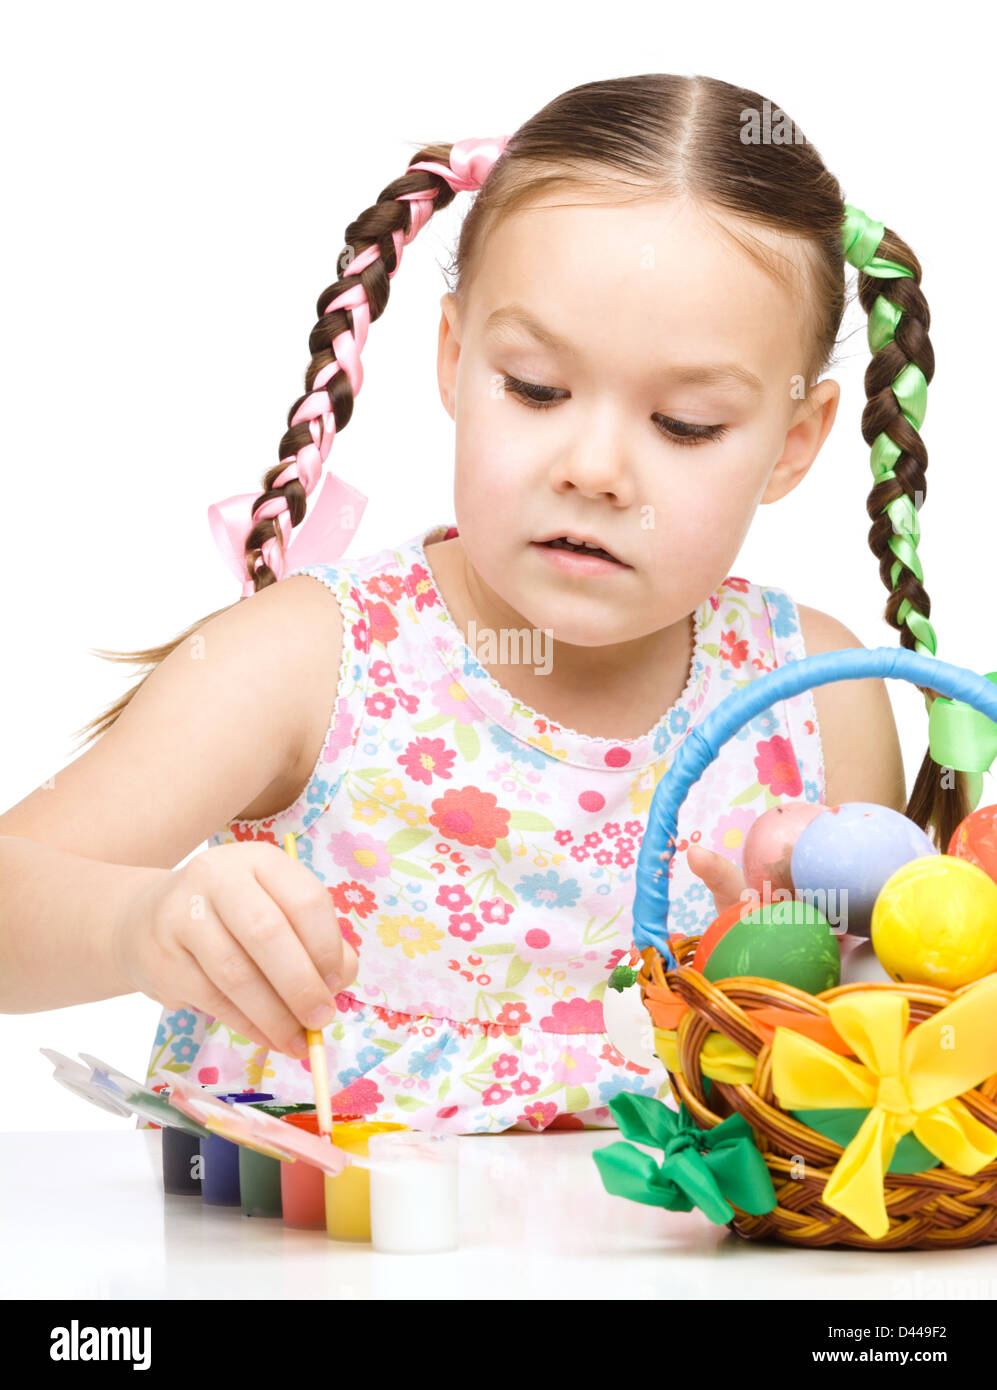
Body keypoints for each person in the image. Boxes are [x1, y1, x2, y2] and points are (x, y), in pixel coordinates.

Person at [1, 73, 965, 1135]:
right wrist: (137, 924)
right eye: (537, 389)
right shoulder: (308, 661)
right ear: (455, 360)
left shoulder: (813, 705)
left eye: (685, 422)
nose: (594, 468)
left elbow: (861, 1054)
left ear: (792, 442)